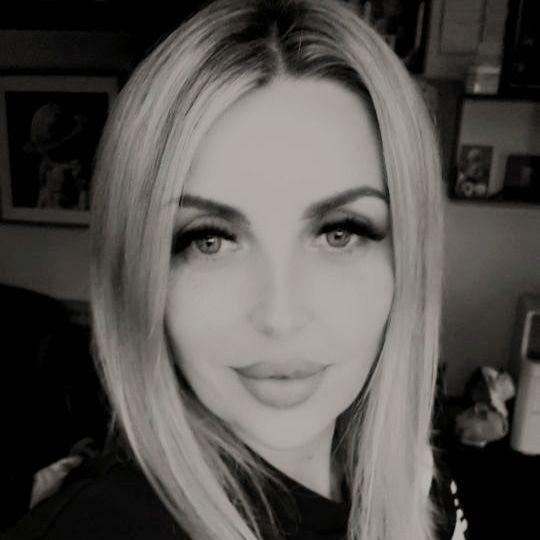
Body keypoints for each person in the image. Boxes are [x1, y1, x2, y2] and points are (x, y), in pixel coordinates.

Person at [2, 1, 468, 539]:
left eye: (339, 232)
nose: (280, 317)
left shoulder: (417, 473)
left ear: (407, 260)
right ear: (139, 275)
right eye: (210, 240)